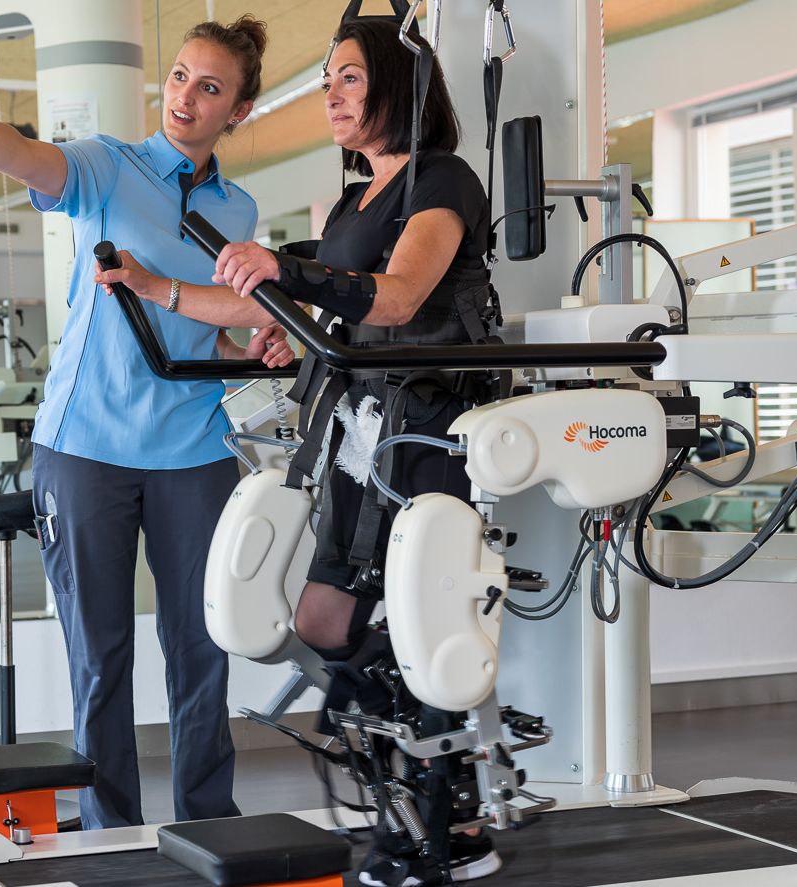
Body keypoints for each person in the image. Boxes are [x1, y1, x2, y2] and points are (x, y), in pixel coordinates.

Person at [104, 17, 503, 887]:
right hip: (362, 430)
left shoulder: (444, 181)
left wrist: (295, 279)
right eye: (327, 79)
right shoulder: (360, 197)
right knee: (323, 618)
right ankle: (415, 791)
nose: (331, 94)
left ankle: (446, 818)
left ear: (401, 87)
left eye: (349, 78)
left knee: (421, 620)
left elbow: (395, 301)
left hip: (427, 428)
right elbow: (270, 307)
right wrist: (156, 287)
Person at [0, 17, 294, 830]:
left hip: (192, 449)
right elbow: (25, 155)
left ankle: (208, 820)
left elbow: (203, 332)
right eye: (181, 76)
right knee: (102, 656)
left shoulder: (239, 204)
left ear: (238, 112)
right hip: (87, 448)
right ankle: (111, 830)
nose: (186, 97)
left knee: (201, 649)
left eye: (210, 88)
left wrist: (258, 345)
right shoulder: (110, 167)